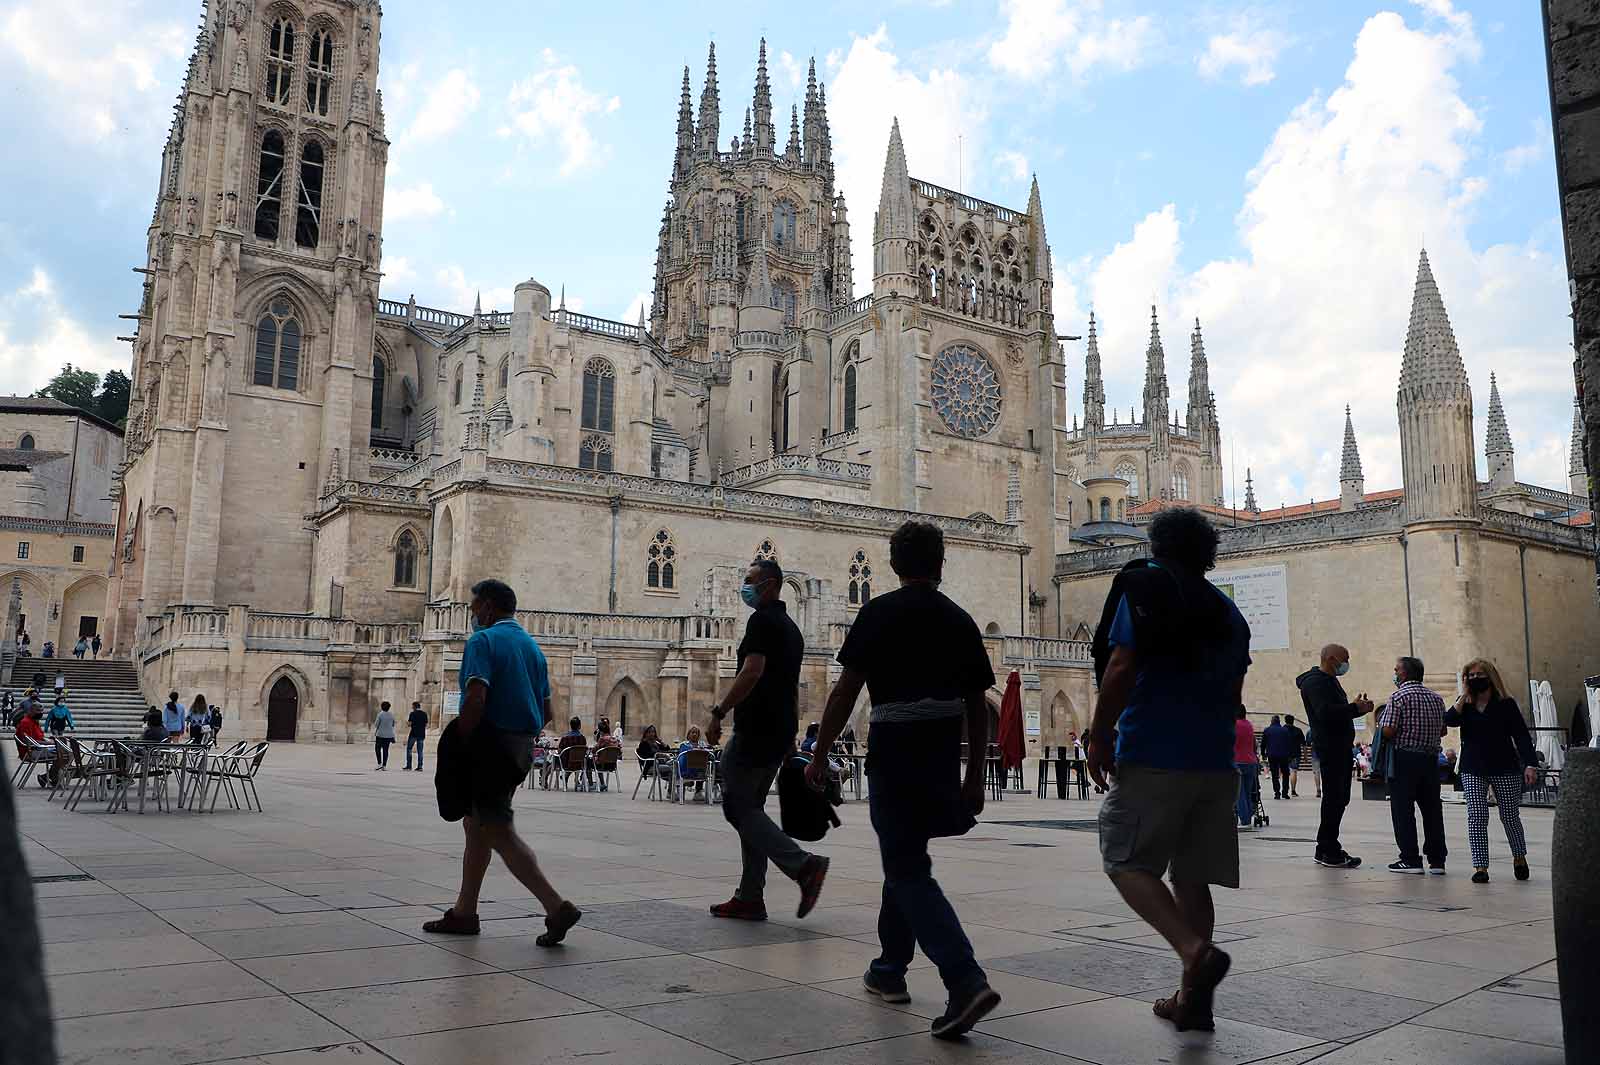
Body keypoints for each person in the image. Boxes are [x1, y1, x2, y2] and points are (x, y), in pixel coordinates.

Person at [807, 520, 1001, 1039]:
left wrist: (819, 752)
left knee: (907, 865)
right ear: (941, 564)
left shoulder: (877, 614)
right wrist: (976, 775)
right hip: (939, 755)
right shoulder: (960, 620)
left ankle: (964, 979)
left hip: (893, 754)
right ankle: (889, 969)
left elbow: (845, 691)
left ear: (893, 566)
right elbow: (978, 707)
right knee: (907, 856)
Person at [1085, 508, 1249, 1033]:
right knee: (1193, 879)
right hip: (1215, 760)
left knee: (1125, 860)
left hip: (1156, 749)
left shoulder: (1148, 588)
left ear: (1156, 545)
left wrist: (1100, 733)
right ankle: (1192, 1001)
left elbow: (1121, 665)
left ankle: (1193, 951)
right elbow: (1236, 694)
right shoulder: (1229, 613)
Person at [423, 578, 581, 945]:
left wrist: (462, 739)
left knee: (498, 830)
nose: (473, 614)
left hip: (489, 745)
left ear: (490, 607)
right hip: (520, 747)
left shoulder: (484, 640)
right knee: (476, 825)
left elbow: (476, 696)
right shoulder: (533, 649)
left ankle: (557, 907)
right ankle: (465, 912)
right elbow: (546, 711)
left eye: (475, 607)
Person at [705, 558, 829, 922]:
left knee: (736, 805)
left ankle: (803, 865)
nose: (746, 587)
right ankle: (750, 896)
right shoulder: (792, 629)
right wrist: (789, 736)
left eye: (751, 581)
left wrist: (719, 712)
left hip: (756, 728)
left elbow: (752, 670)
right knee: (751, 809)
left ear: (771, 585)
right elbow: (789, 685)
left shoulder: (762, 621)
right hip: (778, 729)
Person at [1445, 659, 1537, 884]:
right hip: (1473, 767)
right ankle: (1480, 867)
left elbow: (1521, 736)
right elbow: (1448, 721)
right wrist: (1462, 698)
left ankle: (1519, 857)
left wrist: (1530, 764)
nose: (1476, 679)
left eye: (1479, 675)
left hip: (1504, 766)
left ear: (1490, 677)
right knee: (1476, 816)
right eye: (1471, 676)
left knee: (1509, 816)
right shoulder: (1465, 704)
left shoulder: (1505, 704)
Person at [1296, 645, 1374, 869]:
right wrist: (1353, 708)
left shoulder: (1328, 680)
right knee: (1334, 798)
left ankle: (1326, 847)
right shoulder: (1315, 682)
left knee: (1340, 798)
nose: (1347, 663)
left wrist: (1358, 709)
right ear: (1331, 659)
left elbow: (1335, 711)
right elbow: (1325, 712)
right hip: (1330, 747)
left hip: (1339, 746)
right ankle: (1328, 849)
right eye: (1345, 659)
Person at [1379, 656, 1448, 875]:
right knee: (1432, 810)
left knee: (1403, 810)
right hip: (1430, 760)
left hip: (1404, 759)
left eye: (1396, 669)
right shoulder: (1436, 698)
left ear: (1404, 673)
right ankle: (1437, 861)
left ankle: (1410, 858)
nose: (1394, 673)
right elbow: (1443, 731)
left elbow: (1389, 730)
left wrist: (1382, 729)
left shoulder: (1398, 697)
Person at [1234, 708, 1260, 829]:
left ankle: (1245, 821)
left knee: (1239, 794)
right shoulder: (1249, 725)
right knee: (1247, 792)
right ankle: (1248, 816)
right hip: (1251, 762)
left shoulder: (1234, 725)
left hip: (1238, 761)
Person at [1259, 714, 1290, 800]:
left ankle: (1277, 793)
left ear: (1272, 721)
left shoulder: (1267, 730)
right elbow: (1289, 743)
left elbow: (1263, 744)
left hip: (1272, 755)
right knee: (1285, 774)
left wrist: (1263, 754)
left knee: (1274, 774)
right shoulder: (1285, 730)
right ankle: (1285, 792)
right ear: (1279, 721)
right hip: (1284, 755)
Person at [557, 716, 590, 790]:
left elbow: (559, 751)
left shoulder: (565, 737)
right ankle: (573, 779)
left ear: (570, 726)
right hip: (580, 763)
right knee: (577, 759)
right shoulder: (582, 738)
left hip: (566, 763)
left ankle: (565, 777)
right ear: (579, 726)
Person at [677, 725, 707, 798]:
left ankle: (698, 792)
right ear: (688, 734)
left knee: (704, 765)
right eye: (692, 732)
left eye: (696, 733)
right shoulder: (684, 744)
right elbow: (681, 756)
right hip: (687, 767)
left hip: (700, 768)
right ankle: (685, 777)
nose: (694, 734)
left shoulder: (702, 744)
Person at [593, 718, 621, 791]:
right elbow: (620, 751)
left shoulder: (602, 739)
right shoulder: (615, 740)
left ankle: (592, 783)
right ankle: (602, 784)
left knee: (588, 763)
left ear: (600, 731)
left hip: (602, 765)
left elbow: (594, 750)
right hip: (612, 765)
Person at [1284, 715, 1306, 797]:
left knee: (1285, 772)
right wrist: (1305, 755)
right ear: (1293, 721)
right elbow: (1303, 744)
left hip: (1285, 753)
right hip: (1296, 753)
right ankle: (1293, 790)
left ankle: (1284, 790)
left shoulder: (1282, 730)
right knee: (1294, 771)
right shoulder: (1298, 730)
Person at [405, 700, 429, 771]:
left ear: (414, 707)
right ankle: (420, 766)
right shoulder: (424, 714)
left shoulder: (412, 714)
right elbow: (426, 725)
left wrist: (407, 723)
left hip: (413, 733)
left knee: (409, 749)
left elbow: (409, 724)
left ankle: (409, 766)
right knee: (420, 751)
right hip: (421, 734)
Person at [373, 701, 397, 770]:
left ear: (381, 707)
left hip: (380, 735)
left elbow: (376, 724)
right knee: (386, 750)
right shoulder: (391, 715)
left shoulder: (380, 714)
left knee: (377, 749)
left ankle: (379, 763)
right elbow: (393, 724)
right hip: (388, 735)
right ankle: (384, 765)